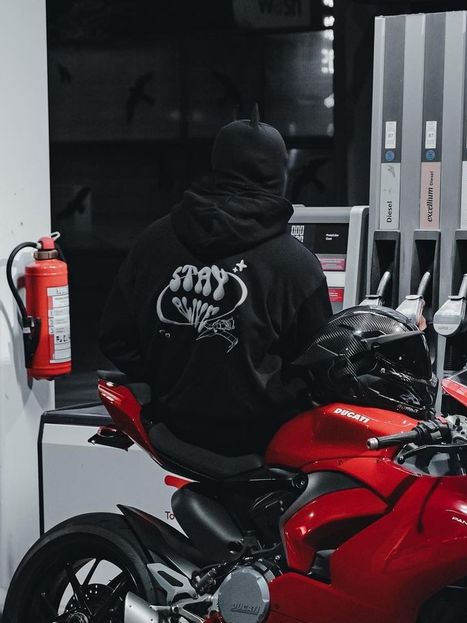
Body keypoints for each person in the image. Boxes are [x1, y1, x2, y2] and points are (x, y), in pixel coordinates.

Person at [99, 107, 331, 456]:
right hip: (262, 442)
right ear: (277, 173)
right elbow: (320, 362)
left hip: (175, 431)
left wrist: (172, 375)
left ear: (218, 166)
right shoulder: (295, 263)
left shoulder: (154, 241)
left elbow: (116, 338)